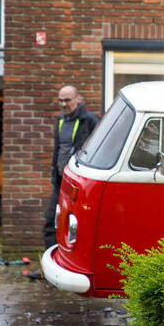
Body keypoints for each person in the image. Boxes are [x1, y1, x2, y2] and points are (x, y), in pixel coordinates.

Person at [41, 85, 100, 252]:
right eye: (60, 100)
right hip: (60, 181)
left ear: (78, 99)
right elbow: (59, 150)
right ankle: (51, 263)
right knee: (51, 222)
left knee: (78, 224)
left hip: (79, 183)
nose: (63, 104)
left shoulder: (90, 120)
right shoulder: (61, 121)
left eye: (67, 100)